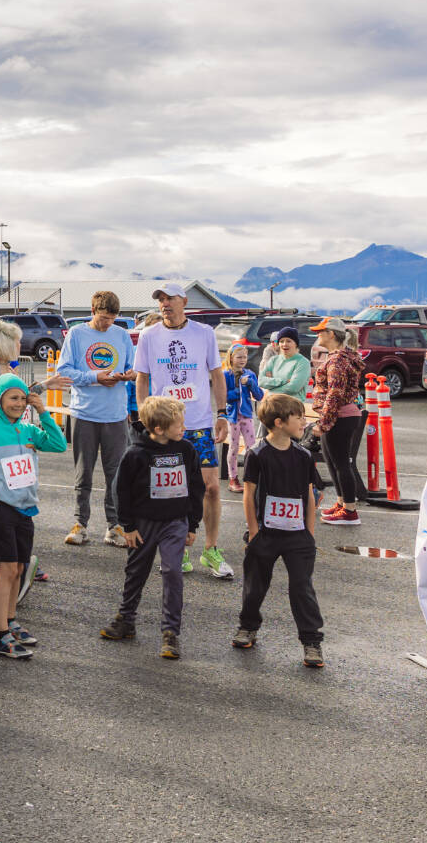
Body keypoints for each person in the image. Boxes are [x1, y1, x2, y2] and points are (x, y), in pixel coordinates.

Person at [131, 282, 233, 580]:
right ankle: (180, 547)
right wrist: (143, 414)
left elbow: (216, 375)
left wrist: (223, 413)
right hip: (165, 426)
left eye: (169, 299)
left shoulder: (204, 333)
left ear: (184, 301)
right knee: (172, 489)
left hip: (199, 422)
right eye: (160, 300)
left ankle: (211, 549)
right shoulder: (149, 336)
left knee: (211, 488)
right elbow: (141, 378)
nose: (164, 304)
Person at [0, 373, 67, 658]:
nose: (19, 404)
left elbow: (59, 444)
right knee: (7, 571)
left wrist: (43, 411)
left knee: (20, 570)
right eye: (13, 398)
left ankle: (10, 622)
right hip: (2, 509)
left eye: (23, 399)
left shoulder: (29, 430)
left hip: (26, 508)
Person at [101, 396, 205, 660]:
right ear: (159, 429)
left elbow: (196, 487)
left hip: (175, 521)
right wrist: (129, 526)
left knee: (172, 571)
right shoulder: (135, 454)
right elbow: (121, 491)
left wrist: (193, 524)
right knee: (136, 571)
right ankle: (125, 619)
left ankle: (170, 632)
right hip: (143, 523)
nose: (184, 427)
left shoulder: (186, 450)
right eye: (178, 423)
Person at [235, 393, 326, 667]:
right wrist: (253, 531)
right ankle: (248, 626)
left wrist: (309, 533)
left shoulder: (303, 456)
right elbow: (248, 494)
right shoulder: (257, 454)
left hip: (298, 536)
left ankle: (311, 641)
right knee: (255, 585)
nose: (303, 421)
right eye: (298, 417)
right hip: (266, 534)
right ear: (278, 422)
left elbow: (310, 495)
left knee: (301, 587)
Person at [58, 291, 136, 548]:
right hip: (85, 413)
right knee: (84, 474)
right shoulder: (77, 335)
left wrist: (127, 375)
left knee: (116, 475)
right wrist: (95, 377)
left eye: (112, 318)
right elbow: (65, 371)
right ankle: (80, 524)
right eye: (103, 318)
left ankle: (114, 526)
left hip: (115, 415)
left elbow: (131, 367)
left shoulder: (121, 335)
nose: (107, 324)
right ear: (93, 311)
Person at [310, 320, 367, 526]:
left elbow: (335, 393)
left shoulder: (337, 361)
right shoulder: (339, 358)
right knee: (334, 462)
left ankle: (350, 511)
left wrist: (323, 424)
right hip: (340, 415)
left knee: (341, 463)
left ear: (331, 334)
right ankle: (342, 503)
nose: (317, 335)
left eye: (320, 332)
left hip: (340, 417)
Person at [223, 344, 264, 494]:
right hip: (232, 417)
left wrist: (251, 384)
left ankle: (250, 477)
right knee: (233, 447)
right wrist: (238, 390)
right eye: (239, 357)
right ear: (231, 358)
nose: (242, 360)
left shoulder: (250, 374)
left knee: (251, 447)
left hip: (246, 415)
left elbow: (259, 395)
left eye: (244, 357)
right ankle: (233, 478)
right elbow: (223, 397)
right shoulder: (226, 375)